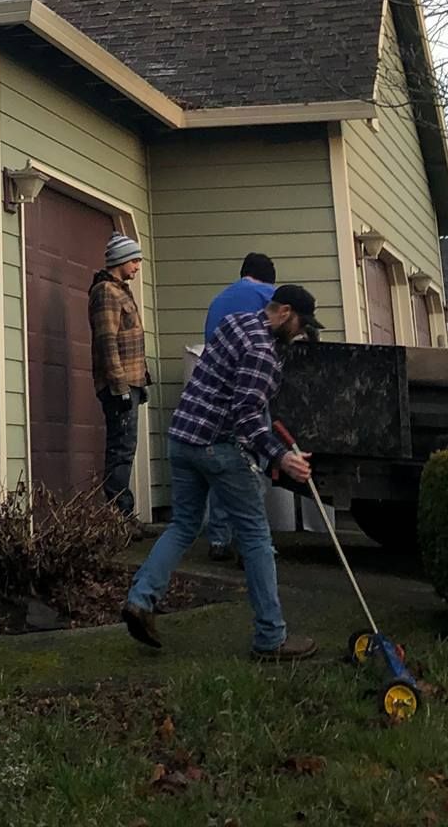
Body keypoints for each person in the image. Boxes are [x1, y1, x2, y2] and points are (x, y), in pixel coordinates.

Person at [120, 285, 322, 661]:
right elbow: (247, 416)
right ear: (284, 312)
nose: (300, 334)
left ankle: (140, 599)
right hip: (216, 446)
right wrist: (281, 458)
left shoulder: (234, 323)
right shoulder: (263, 351)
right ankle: (271, 638)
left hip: (182, 439)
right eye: (299, 325)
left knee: (182, 526)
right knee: (256, 537)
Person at [201, 253, 277, 560]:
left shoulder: (218, 300)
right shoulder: (268, 296)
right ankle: (252, 544)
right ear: (266, 279)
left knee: (223, 464)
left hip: (215, 397)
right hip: (250, 391)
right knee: (252, 466)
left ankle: (219, 539)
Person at [88, 230, 151, 516]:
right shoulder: (106, 293)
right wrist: (121, 387)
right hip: (119, 385)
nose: (138, 266)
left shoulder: (121, 290)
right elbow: (107, 341)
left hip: (132, 381)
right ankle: (119, 516)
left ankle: (122, 513)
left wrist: (141, 381)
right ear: (121, 260)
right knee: (121, 450)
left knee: (126, 448)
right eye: (134, 260)